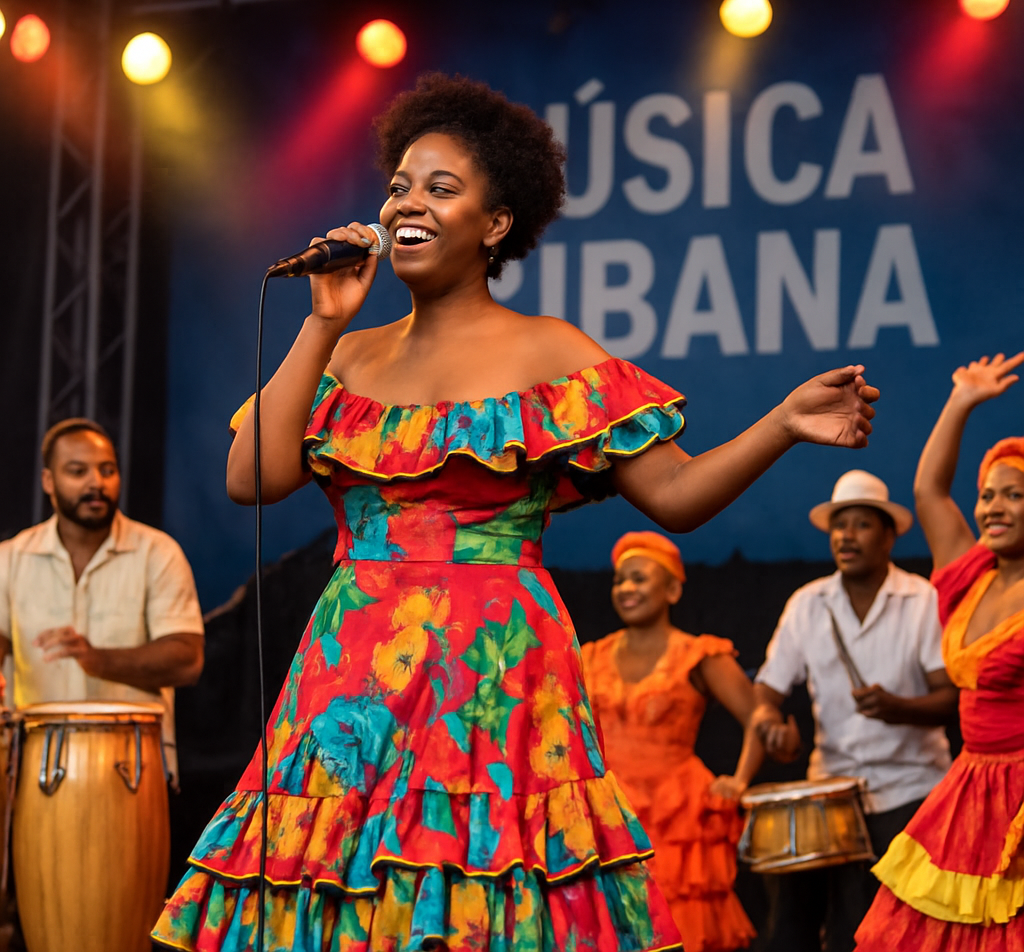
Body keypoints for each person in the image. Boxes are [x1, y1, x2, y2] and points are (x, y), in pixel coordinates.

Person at [152, 73, 879, 952]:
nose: (407, 203)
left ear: (496, 225)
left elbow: (678, 497)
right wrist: (321, 323)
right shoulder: (348, 353)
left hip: (494, 673)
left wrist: (782, 425)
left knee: (482, 896)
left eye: (441, 188)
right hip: (351, 679)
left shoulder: (551, 351)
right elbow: (252, 477)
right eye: (399, 186)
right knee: (348, 893)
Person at [855, 351, 1024, 951]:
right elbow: (929, 489)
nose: (993, 507)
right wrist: (962, 401)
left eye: (1014, 495)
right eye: (987, 495)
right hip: (969, 790)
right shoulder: (971, 575)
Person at [752, 469, 957, 952]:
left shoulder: (922, 599)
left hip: (914, 791)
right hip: (834, 795)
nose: (846, 536)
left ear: (889, 536)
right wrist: (768, 726)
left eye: (861, 524)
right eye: (838, 526)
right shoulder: (807, 604)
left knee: (903, 935)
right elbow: (766, 692)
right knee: (817, 930)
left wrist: (898, 708)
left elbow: (951, 701)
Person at [581, 530, 763, 951]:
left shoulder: (697, 654)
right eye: (619, 580)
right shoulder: (590, 656)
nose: (626, 588)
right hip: (609, 810)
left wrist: (739, 780)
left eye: (640, 578)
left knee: (675, 923)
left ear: (673, 589)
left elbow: (758, 716)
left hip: (676, 809)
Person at [0, 418, 205, 782]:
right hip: (32, 768)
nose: (96, 482)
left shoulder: (158, 553)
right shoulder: (10, 558)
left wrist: (96, 659)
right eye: (78, 471)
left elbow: (187, 660)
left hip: (132, 768)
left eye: (107, 470)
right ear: (48, 481)